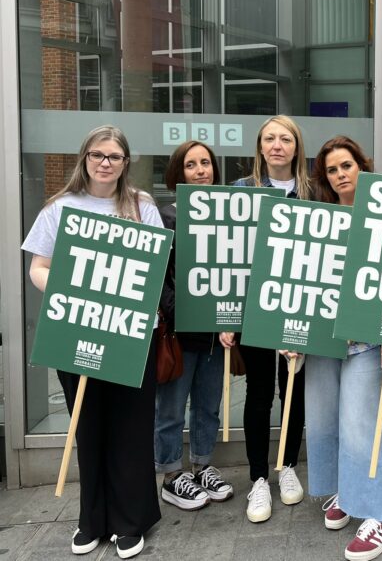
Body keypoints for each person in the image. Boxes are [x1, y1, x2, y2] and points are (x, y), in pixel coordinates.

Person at [22, 125, 161, 559]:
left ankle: (129, 520)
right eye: (97, 155)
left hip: (133, 333)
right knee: (89, 422)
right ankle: (93, 520)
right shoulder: (59, 208)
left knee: (131, 427)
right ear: (84, 158)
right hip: (79, 328)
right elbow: (38, 268)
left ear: (125, 163)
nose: (105, 162)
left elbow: (158, 266)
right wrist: (72, 290)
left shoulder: (142, 206)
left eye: (114, 157)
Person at [303, 136, 382, 561]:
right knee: (326, 422)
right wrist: (291, 337)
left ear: (362, 166)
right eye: (332, 170)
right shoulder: (320, 219)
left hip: (368, 339)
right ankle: (350, 491)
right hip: (323, 339)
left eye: (347, 165)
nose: (341, 175)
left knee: (365, 425)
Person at [219, 115, 311, 523]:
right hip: (255, 308)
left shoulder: (313, 191)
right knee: (258, 392)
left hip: (301, 307)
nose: (277, 145)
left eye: (285, 138)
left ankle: (287, 466)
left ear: (296, 146)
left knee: (294, 389)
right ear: (259, 147)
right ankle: (258, 478)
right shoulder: (242, 191)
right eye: (269, 138)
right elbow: (226, 254)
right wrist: (224, 315)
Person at [154, 141, 234, 511]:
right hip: (181, 331)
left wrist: (233, 318)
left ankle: (202, 465)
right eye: (191, 164)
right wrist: (186, 312)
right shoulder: (166, 216)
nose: (201, 170)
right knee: (171, 408)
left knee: (208, 405)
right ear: (178, 173)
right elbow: (160, 279)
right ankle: (171, 476)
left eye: (206, 163)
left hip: (218, 335)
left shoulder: (229, 216)